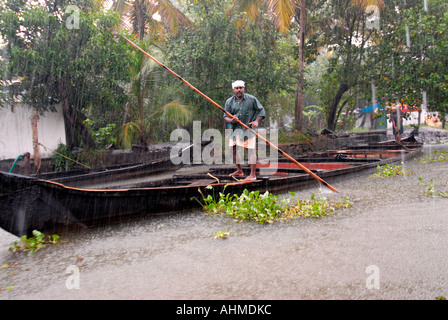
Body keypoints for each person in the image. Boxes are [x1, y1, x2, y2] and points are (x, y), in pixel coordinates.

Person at [224, 80, 265, 181]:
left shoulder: (251, 99)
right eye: (237, 88)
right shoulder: (229, 102)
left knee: (250, 150)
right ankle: (239, 170)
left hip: (248, 129)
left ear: (243, 88)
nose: (239, 90)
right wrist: (232, 120)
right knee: (233, 150)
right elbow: (225, 116)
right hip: (235, 130)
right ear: (233, 90)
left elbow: (261, 111)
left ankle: (252, 175)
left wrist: (256, 121)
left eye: (241, 88)